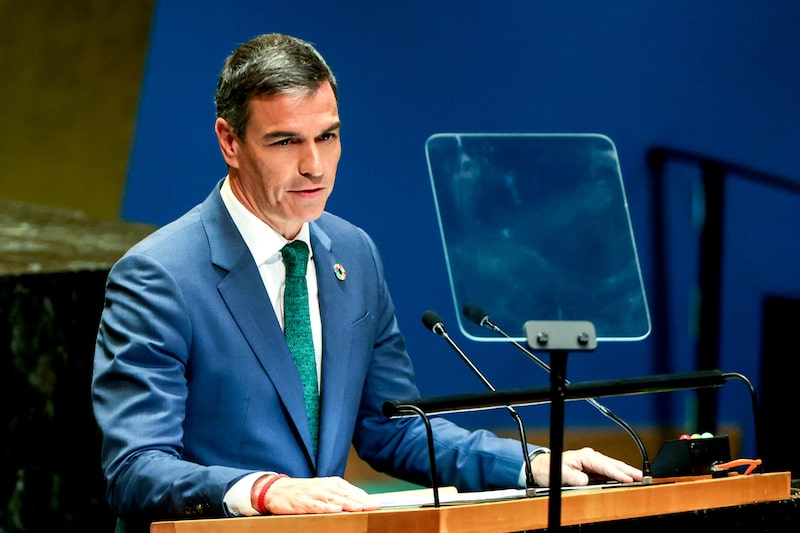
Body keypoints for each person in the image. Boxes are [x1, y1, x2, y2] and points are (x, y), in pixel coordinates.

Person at [91, 32, 642, 532]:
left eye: (327, 136)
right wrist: (263, 491)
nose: (315, 166)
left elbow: (392, 428)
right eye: (285, 142)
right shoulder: (158, 275)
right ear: (230, 142)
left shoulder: (353, 253)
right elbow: (134, 470)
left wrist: (530, 462)